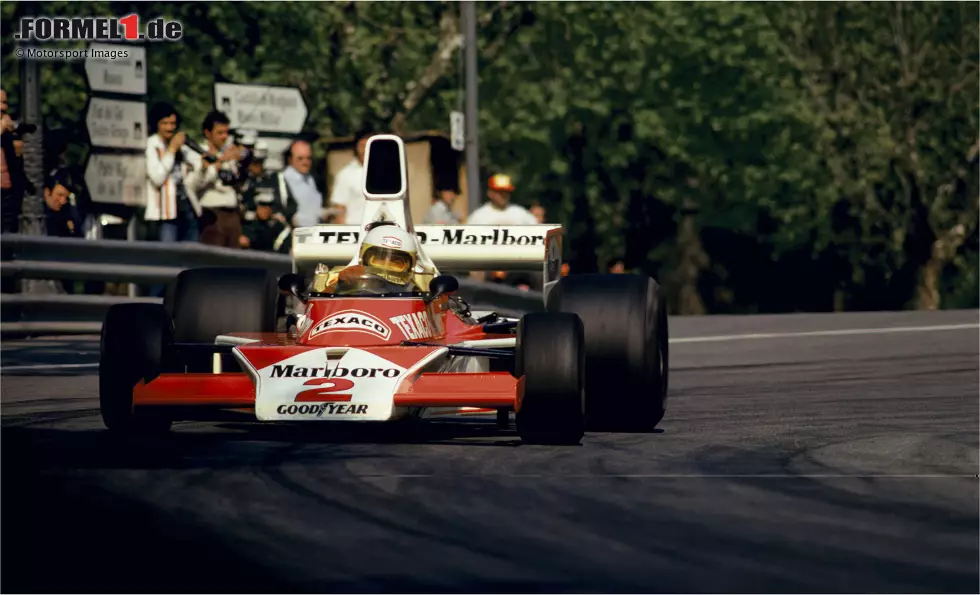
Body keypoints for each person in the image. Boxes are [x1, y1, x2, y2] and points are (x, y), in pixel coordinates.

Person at [185, 111, 247, 248]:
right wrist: (219, 163)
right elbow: (193, 185)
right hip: (212, 215)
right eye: (220, 133)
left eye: (226, 132)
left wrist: (240, 164)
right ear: (208, 133)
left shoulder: (229, 153)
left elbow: (237, 183)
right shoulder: (197, 153)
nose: (224, 137)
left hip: (233, 214)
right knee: (214, 264)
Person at [144, 101, 201, 243]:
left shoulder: (182, 147)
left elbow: (196, 166)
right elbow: (157, 178)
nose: (170, 128)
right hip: (166, 213)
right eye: (165, 124)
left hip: (186, 208)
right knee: (167, 256)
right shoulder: (151, 145)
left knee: (191, 256)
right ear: (156, 124)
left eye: (173, 124)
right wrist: (171, 151)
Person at [312, 223, 420, 294]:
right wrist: (341, 285)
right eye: (378, 259)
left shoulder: (413, 292)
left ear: (410, 265)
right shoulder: (347, 277)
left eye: (396, 262)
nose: (385, 266)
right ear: (363, 255)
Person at [328, 129, 374, 225]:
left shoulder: (384, 173)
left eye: (368, 146)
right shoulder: (345, 174)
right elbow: (339, 208)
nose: (364, 150)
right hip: (355, 231)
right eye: (361, 146)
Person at [282, 139, 327, 228]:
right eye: (300, 158)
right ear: (290, 159)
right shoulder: (283, 180)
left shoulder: (311, 179)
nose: (305, 162)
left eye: (308, 158)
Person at [466, 174, 537, 225]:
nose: (503, 195)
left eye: (506, 192)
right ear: (490, 193)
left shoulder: (522, 214)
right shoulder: (479, 216)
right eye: (499, 192)